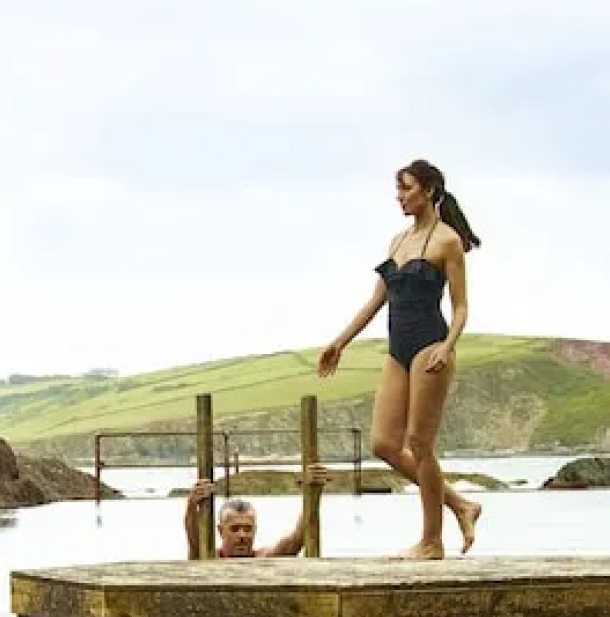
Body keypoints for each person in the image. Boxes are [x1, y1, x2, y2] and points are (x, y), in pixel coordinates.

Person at [316, 159, 483, 559]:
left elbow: (461, 307)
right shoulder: (397, 241)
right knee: (383, 443)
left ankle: (432, 541)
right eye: (398, 189)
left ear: (428, 190)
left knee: (420, 444)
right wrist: (339, 342)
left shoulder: (447, 242)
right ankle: (460, 504)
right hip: (397, 350)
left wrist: (448, 345)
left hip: (430, 344)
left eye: (406, 189)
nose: (399, 197)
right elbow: (377, 300)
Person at [182, 476, 314, 558]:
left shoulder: (263, 558)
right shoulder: (209, 557)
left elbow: (296, 540)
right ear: (221, 531)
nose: (242, 535)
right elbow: (194, 541)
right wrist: (192, 504)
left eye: (248, 529)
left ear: (255, 530)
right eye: (234, 529)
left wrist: (311, 495)